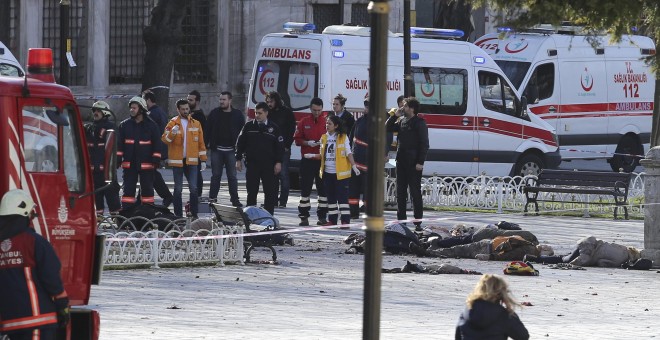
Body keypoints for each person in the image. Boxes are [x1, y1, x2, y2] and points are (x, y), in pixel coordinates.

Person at [0, 189, 70, 339]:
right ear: (26, 214)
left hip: (10, 321)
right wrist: (62, 304)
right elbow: (51, 276)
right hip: (37, 319)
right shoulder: (33, 242)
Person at [386, 97, 429, 231]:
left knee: (415, 191)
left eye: (404, 106)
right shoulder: (401, 121)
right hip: (401, 160)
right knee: (400, 192)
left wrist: (420, 162)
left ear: (412, 108)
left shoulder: (419, 123)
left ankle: (418, 222)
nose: (402, 108)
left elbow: (424, 144)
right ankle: (401, 221)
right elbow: (387, 127)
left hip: (414, 162)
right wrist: (394, 116)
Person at [235, 102, 284, 215]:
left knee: (269, 192)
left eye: (260, 113)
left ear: (266, 113)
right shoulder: (248, 126)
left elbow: (279, 147)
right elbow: (240, 143)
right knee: (251, 192)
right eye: (256, 113)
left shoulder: (274, 128)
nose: (257, 115)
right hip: (253, 164)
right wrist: (238, 159)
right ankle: (250, 216)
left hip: (269, 165)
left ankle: (268, 217)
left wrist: (278, 162)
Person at [162, 98, 207, 219]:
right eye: (183, 109)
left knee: (194, 188)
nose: (186, 111)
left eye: (187, 108)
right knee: (178, 189)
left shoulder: (196, 123)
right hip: (178, 162)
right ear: (178, 110)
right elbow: (165, 140)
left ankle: (194, 214)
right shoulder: (172, 123)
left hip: (192, 161)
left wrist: (203, 160)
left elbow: (201, 143)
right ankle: (178, 215)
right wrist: (172, 132)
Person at [348, 94, 390, 219]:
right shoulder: (360, 121)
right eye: (365, 104)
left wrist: (384, 154)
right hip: (356, 161)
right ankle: (353, 212)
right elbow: (351, 138)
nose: (366, 107)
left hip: (371, 162)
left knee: (368, 190)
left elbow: (387, 139)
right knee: (353, 189)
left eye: (368, 105)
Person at [117, 96, 162, 208]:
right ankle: (127, 215)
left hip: (147, 164)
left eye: (134, 108)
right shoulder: (124, 125)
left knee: (147, 191)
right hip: (130, 164)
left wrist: (156, 159)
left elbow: (157, 143)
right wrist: (118, 158)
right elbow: (119, 145)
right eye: (131, 108)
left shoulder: (152, 126)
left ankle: (147, 214)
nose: (131, 110)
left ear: (141, 109)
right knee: (128, 191)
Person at [316, 115, 360, 226]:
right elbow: (322, 155)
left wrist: (354, 166)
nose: (327, 125)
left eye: (330, 124)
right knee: (331, 199)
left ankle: (345, 221)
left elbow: (348, 152)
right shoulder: (324, 137)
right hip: (327, 173)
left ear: (336, 126)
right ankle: (332, 220)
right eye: (326, 123)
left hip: (340, 174)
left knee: (342, 199)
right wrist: (312, 155)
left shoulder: (343, 137)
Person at [455, 274, 529, 340]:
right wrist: (510, 312)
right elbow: (523, 336)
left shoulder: (467, 310)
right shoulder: (504, 315)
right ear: (501, 292)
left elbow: (457, 337)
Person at [293, 97, 329, 226]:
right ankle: (304, 216)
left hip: (321, 161)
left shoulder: (326, 122)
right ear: (310, 108)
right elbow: (297, 139)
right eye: (314, 110)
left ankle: (322, 216)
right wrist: (308, 142)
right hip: (307, 160)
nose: (317, 113)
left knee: (323, 191)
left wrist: (322, 143)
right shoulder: (304, 122)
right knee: (305, 191)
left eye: (319, 110)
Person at [206, 91, 245, 207]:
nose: (221, 102)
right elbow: (207, 130)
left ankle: (234, 199)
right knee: (216, 175)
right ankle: (212, 198)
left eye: (224, 100)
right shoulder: (214, 113)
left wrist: (241, 151)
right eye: (220, 100)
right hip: (217, 149)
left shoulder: (237, 114)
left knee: (232, 176)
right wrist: (205, 146)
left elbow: (243, 134)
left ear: (230, 100)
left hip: (232, 150)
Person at [85, 101, 121, 216]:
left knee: (112, 196)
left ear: (105, 112)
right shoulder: (89, 128)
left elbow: (116, 147)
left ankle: (117, 220)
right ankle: (98, 220)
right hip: (93, 170)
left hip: (107, 171)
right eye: (94, 110)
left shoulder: (111, 128)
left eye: (98, 111)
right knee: (96, 197)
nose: (95, 113)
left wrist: (115, 163)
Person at [524, 236, 640, 267]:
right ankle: (534, 258)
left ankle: (533, 257)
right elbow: (601, 262)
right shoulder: (621, 260)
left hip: (588, 242)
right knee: (565, 260)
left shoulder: (623, 248)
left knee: (566, 256)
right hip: (588, 251)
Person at [142, 89, 174, 207]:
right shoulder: (160, 111)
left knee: (151, 174)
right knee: (150, 174)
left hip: (153, 150)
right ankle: (143, 197)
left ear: (148, 100)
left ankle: (166, 196)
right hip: (159, 148)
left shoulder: (151, 114)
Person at [266, 91, 296, 208]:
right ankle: (272, 200)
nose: (269, 104)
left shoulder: (286, 112)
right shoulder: (267, 113)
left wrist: (287, 145)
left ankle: (283, 201)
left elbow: (291, 130)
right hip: (270, 149)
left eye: (271, 101)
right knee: (271, 176)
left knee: (283, 175)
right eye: (267, 102)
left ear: (276, 101)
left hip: (283, 148)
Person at [188, 90, 207, 197]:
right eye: (188, 99)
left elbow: (202, 137)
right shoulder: (189, 114)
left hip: (195, 150)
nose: (188, 101)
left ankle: (197, 195)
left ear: (197, 101)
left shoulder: (199, 117)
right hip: (188, 150)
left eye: (191, 100)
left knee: (196, 174)